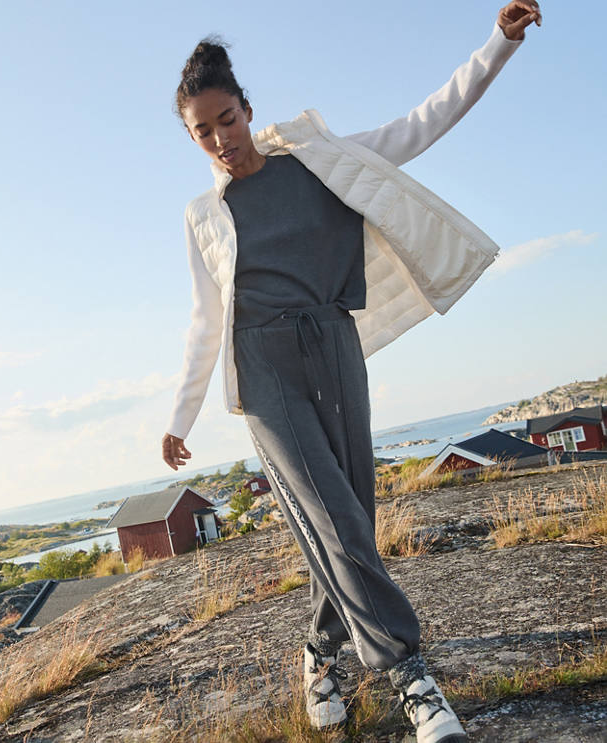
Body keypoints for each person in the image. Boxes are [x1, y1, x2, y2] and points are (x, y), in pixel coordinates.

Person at [162, 3, 542, 741]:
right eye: (200, 132)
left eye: (226, 119)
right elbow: (205, 318)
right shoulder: (201, 215)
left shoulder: (319, 159)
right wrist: (180, 418)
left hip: (333, 344)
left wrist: (497, 44)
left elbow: (419, 124)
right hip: (263, 367)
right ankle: (410, 674)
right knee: (333, 519)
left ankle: (319, 650)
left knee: (350, 521)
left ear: (248, 108)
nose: (218, 140)